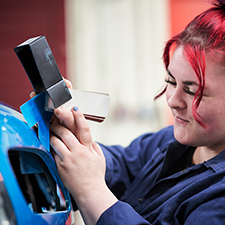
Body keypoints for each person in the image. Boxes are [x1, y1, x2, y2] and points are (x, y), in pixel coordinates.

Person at [49, 0, 225, 224]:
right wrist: (74, 144)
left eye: (191, 91)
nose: (172, 100)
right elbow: (122, 165)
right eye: (171, 81)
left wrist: (90, 190)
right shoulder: (170, 140)